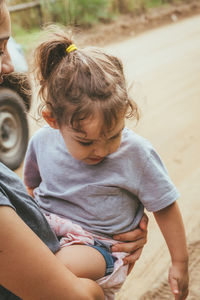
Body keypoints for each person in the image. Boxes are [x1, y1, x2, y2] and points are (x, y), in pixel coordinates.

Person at [23, 26, 189, 300]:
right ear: (53, 120)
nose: (102, 150)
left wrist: (180, 262)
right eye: (86, 142)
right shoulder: (41, 142)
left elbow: (165, 205)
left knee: (54, 271)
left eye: (112, 135)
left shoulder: (135, 153)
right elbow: (30, 189)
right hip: (49, 228)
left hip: (97, 246)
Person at [0, 1, 148, 299]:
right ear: (52, 121)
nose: (9, 65)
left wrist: (107, 227)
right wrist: (98, 281)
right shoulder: (41, 144)